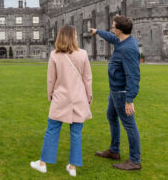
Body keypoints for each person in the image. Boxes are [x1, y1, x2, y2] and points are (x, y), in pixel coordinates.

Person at [31, 25, 93, 177]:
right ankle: (72, 167)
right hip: (79, 97)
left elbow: (51, 78)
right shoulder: (83, 54)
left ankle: (43, 163)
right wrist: (89, 96)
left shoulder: (54, 55)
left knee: (52, 130)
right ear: (72, 37)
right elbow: (88, 78)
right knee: (76, 133)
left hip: (61, 97)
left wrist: (50, 94)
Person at [91, 15, 142, 170]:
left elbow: (133, 75)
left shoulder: (128, 48)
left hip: (121, 92)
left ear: (119, 30)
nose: (112, 29)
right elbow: (110, 37)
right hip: (115, 90)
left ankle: (134, 161)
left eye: (113, 27)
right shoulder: (121, 40)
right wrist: (97, 31)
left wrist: (129, 99)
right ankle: (114, 150)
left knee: (129, 125)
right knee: (111, 116)